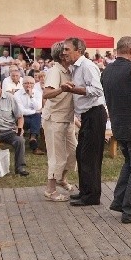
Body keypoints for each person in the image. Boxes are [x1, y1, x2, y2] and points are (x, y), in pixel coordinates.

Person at [101, 36, 131, 223]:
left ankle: (119, 201)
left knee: (129, 164)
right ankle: (130, 210)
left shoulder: (106, 71)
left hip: (118, 125)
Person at [62, 37, 106, 207]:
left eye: (67, 49)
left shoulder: (87, 66)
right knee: (82, 154)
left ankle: (92, 196)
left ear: (78, 50)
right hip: (87, 116)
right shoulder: (76, 68)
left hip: (94, 114)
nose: (64, 52)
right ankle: (85, 191)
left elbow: (97, 90)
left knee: (90, 157)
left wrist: (74, 89)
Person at [41, 42, 77, 201]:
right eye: (68, 51)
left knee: (74, 152)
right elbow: (46, 94)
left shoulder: (69, 70)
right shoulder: (55, 71)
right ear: (62, 55)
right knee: (57, 156)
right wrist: (61, 89)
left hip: (67, 119)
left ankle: (62, 178)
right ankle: (50, 190)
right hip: (54, 119)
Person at [0, 76, 29, 176]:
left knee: (20, 140)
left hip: (8, 131)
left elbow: (20, 117)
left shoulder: (10, 98)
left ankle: (20, 167)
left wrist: (20, 129)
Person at [14, 76, 44, 155]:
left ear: (34, 84)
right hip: (21, 118)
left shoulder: (37, 93)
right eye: (26, 83)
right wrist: (35, 111)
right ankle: (33, 140)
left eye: (31, 83)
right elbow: (21, 111)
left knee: (37, 117)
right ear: (22, 84)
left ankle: (33, 139)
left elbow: (38, 107)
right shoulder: (17, 94)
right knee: (37, 115)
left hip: (34, 117)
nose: (29, 85)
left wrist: (31, 96)